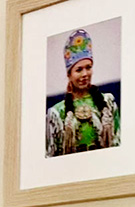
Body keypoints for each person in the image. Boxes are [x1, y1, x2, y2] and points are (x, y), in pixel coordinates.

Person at [46, 29, 120, 157]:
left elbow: (118, 143)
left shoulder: (108, 103)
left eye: (88, 67)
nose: (85, 74)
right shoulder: (57, 113)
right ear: (69, 74)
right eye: (79, 69)